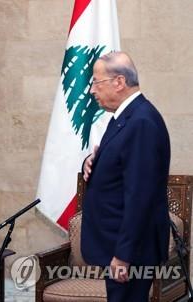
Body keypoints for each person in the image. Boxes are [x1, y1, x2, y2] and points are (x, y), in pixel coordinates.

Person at [80, 51, 170, 301]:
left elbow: (140, 196)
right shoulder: (124, 117)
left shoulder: (141, 122)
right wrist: (91, 162)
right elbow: (118, 165)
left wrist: (124, 255)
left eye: (96, 82)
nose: (91, 90)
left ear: (118, 82)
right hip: (117, 245)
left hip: (130, 252)